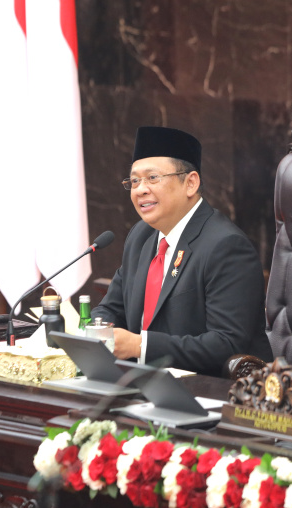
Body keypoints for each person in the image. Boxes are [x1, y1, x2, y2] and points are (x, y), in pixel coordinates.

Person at [90, 126, 273, 376]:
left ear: (190, 183)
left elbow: (227, 345)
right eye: (134, 181)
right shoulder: (140, 236)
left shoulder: (226, 247)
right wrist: (98, 329)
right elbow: (112, 307)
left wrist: (139, 346)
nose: (140, 189)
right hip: (142, 385)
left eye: (152, 178)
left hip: (212, 394)